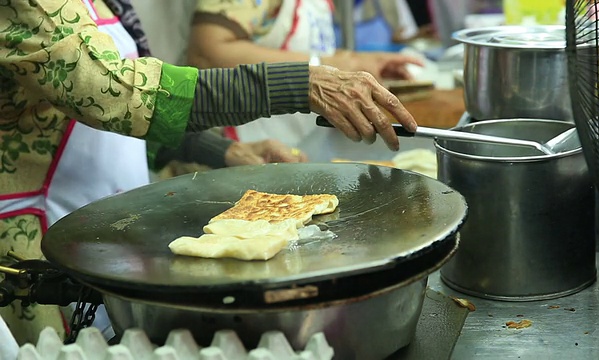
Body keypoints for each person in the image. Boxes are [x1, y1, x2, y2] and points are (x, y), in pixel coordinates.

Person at [0, 0, 417, 345]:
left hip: (106, 230)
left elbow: (117, 122)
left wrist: (222, 150)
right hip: (34, 240)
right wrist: (298, 85)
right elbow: (120, 93)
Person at [188, 0, 424, 148]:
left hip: (297, 145)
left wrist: (355, 61)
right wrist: (323, 64)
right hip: (245, 149)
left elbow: (305, 49)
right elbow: (206, 53)